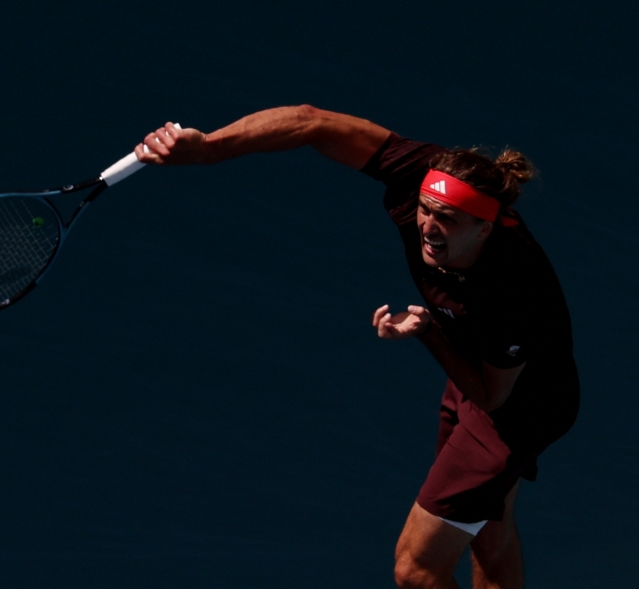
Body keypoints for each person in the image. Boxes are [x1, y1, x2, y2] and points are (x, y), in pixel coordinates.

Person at [135, 105, 579, 589]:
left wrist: (428, 332)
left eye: (447, 219)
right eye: (426, 210)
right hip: (476, 369)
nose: (428, 227)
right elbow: (312, 123)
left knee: (416, 569)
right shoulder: (425, 174)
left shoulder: (512, 292)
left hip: (518, 408)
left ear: (485, 228)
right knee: (487, 532)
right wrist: (210, 148)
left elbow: (492, 398)